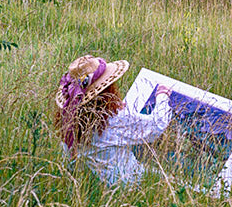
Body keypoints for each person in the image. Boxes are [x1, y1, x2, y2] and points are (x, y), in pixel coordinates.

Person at [54, 55, 172, 186]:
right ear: (107, 89)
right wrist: (163, 95)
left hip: (94, 184)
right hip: (126, 183)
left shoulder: (70, 121)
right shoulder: (114, 119)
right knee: (168, 178)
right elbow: (157, 125)